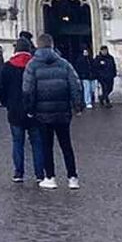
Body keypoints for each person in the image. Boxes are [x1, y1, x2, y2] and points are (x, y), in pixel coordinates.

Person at [22, 32, 83, 190]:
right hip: (63, 111)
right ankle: (72, 178)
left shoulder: (32, 65)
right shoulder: (64, 63)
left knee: (46, 145)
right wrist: (78, 106)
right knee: (66, 145)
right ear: (52, 45)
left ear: (38, 45)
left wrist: (29, 109)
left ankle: (50, 177)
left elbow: (28, 90)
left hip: (42, 113)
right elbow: (75, 85)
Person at [0, 37, 44, 183]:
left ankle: (18, 172)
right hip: (34, 110)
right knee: (37, 142)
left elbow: (0, 88)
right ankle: (39, 173)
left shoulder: (7, 67)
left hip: (15, 110)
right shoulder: (37, 65)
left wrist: (6, 103)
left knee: (18, 142)